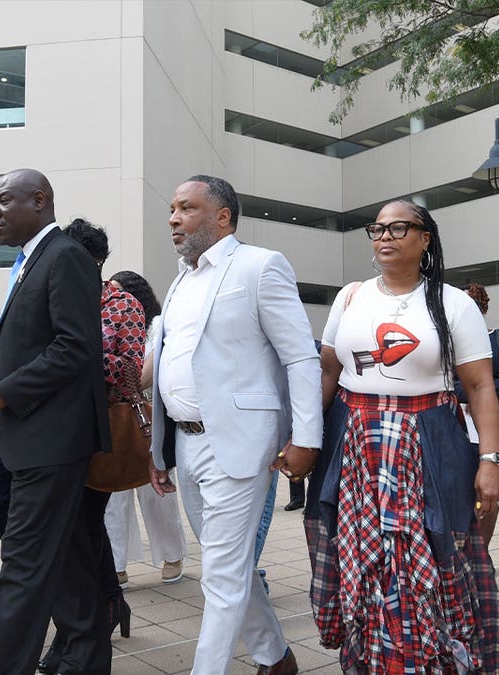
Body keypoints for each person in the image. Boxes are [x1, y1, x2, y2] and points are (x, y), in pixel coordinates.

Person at [315, 200, 499, 673]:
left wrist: (491, 460)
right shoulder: (350, 297)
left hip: (428, 443)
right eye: (378, 229)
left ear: (425, 238)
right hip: (355, 445)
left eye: (399, 228)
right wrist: (304, 439)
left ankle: (432, 660)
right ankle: (375, 661)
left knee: (428, 557)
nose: (385, 236)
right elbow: (328, 371)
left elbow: (480, 386)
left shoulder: (453, 302)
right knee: (364, 561)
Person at [147, 175, 321, 675]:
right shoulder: (181, 279)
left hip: (242, 444)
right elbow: (170, 362)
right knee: (232, 566)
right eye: (172, 210)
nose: (173, 219)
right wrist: (160, 449)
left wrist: (305, 438)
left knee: (220, 576)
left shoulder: (260, 266)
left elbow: (299, 359)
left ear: (222, 216)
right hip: (187, 441)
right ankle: (274, 656)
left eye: (185, 209)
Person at [0, 169, 112, 675]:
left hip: (52, 439)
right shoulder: (32, 261)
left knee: (21, 568)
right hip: (28, 436)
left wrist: (5, 391)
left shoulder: (65, 255)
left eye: (4, 201)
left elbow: (77, 346)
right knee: (68, 555)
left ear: (40, 200)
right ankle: (84, 657)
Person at [35, 219, 143, 674]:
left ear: (93, 262)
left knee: (81, 527)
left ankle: (82, 626)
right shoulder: (49, 297)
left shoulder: (123, 303)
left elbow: (132, 373)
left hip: (100, 433)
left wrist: (78, 351)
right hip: (53, 431)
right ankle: (105, 605)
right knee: (73, 531)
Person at [103, 270, 187, 588]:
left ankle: (172, 556)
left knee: (157, 492)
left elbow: (145, 372)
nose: (114, 299)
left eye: (119, 291)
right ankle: (116, 563)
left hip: (151, 416)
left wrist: (121, 376)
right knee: (114, 495)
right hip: (114, 416)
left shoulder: (157, 325)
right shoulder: (108, 323)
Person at [455, 282, 499, 549]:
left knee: (488, 489)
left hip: (496, 423)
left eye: (470, 303)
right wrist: (473, 392)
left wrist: (483, 392)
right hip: (455, 421)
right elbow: (444, 381)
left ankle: (480, 553)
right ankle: (458, 550)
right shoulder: (443, 342)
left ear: (481, 308)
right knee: (459, 485)